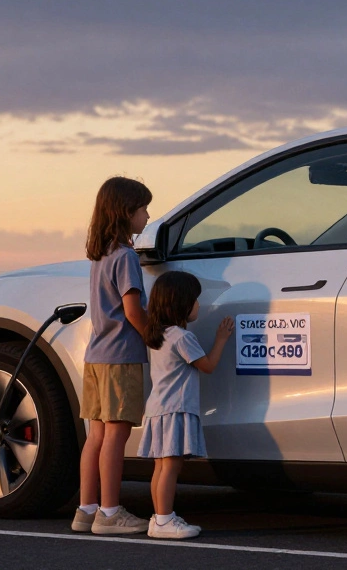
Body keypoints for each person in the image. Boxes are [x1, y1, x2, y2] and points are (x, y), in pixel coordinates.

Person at [72, 176, 153, 535]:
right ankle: (110, 513)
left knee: (96, 436)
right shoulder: (126, 258)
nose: (148, 216)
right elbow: (132, 310)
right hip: (121, 357)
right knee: (117, 438)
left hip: (97, 357)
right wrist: (157, 336)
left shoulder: (100, 256)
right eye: (143, 209)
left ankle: (86, 510)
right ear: (126, 212)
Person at [137, 270, 233, 539]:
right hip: (176, 409)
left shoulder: (158, 336)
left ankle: (159, 518)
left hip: (158, 409)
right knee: (171, 467)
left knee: (161, 466)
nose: (198, 305)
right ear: (179, 303)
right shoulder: (182, 337)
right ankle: (165, 520)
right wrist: (222, 339)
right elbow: (208, 366)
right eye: (194, 300)